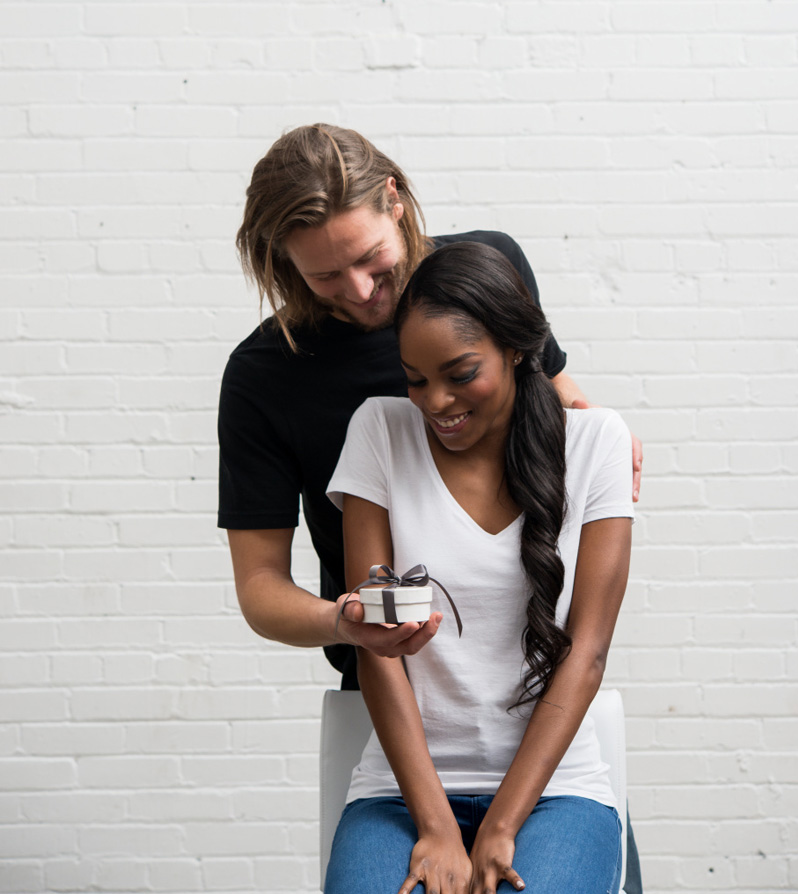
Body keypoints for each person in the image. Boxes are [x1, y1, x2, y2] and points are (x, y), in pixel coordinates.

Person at [218, 124, 643, 891]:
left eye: (370, 261)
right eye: (323, 277)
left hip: (539, 727)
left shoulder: (488, 273)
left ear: (398, 203)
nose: (358, 293)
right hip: (400, 687)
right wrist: (346, 621)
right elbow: (258, 588)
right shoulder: (280, 386)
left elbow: (557, 399)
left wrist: (600, 448)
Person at [324, 240, 633, 893]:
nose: (435, 402)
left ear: (516, 350)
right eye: (415, 378)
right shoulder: (378, 433)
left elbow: (588, 653)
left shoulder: (598, 442)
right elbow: (377, 649)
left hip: (556, 794)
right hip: (399, 797)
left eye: (460, 374)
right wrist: (436, 827)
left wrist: (499, 826)